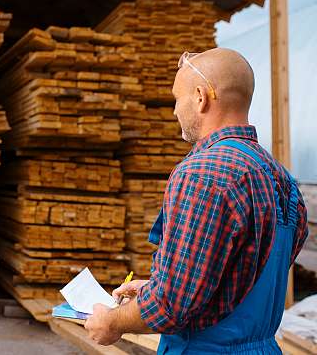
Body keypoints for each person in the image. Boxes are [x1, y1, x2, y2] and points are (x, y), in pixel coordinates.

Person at [84, 48, 308, 354]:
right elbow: (241, 275)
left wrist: (111, 322)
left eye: (178, 99)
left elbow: (170, 305)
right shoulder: (282, 179)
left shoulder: (201, 174)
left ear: (201, 97)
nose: (175, 111)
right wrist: (157, 285)